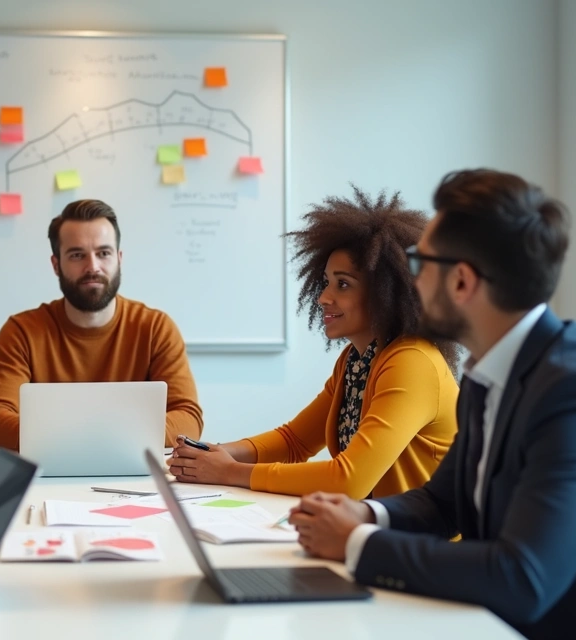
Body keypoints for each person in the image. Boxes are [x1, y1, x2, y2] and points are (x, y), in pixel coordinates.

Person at [288, 169, 576, 639]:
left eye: (419, 263)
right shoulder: (491, 372)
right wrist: (368, 515)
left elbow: (523, 577)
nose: (410, 282)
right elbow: (443, 503)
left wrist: (357, 543)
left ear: (461, 281)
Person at [168, 188, 459, 499]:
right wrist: (213, 454)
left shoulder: (412, 362)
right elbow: (295, 441)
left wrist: (228, 472)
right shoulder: (355, 361)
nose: (323, 297)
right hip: (372, 523)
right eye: (326, 282)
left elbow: (348, 480)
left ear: (386, 292)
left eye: (343, 284)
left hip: (420, 530)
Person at [0, 199, 203, 451]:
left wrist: (76, 437)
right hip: (48, 471)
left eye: (103, 253)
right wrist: (106, 437)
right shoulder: (21, 332)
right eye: (77, 255)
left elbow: (188, 418)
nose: (92, 267)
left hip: (133, 473)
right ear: (56, 264)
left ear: (119, 258)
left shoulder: (155, 328)